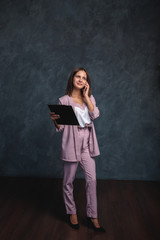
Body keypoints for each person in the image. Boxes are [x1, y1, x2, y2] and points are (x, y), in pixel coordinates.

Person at [50, 67, 105, 232]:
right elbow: (60, 128)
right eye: (78, 76)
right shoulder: (64, 100)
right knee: (68, 181)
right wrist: (55, 121)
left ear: (86, 82)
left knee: (92, 180)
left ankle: (92, 215)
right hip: (71, 144)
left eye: (84, 77)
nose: (81, 79)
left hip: (87, 144)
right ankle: (71, 212)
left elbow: (95, 114)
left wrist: (87, 97)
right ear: (72, 79)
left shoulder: (90, 98)